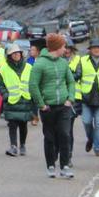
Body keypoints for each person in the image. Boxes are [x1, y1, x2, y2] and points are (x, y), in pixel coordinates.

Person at [30, 34, 76, 179]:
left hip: (64, 106)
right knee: (49, 137)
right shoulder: (40, 64)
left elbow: (71, 82)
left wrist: (70, 99)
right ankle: (50, 165)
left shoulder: (63, 63)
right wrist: (41, 104)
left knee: (65, 134)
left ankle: (64, 166)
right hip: (48, 107)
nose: (65, 49)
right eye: (63, 46)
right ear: (56, 47)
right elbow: (33, 85)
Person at [72, 38, 99, 158]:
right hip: (87, 97)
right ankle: (90, 139)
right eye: (94, 48)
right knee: (86, 122)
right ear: (90, 50)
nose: (96, 50)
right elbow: (78, 75)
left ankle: (97, 147)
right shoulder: (83, 60)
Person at [0, 42, 34, 157]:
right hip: (11, 100)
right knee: (12, 124)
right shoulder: (3, 69)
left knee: (23, 124)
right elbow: (1, 85)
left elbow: (33, 83)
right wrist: (6, 96)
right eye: (13, 54)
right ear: (9, 56)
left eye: (18, 53)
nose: (16, 55)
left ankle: (22, 145)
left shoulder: (29, 67)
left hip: (25, 99)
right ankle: (13, 146)